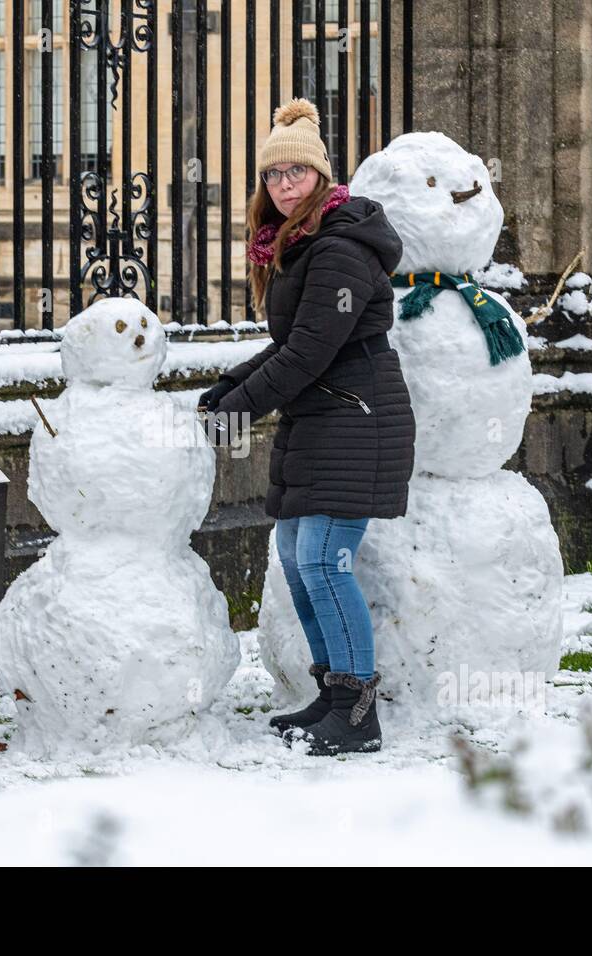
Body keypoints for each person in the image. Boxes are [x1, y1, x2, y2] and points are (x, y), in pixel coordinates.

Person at [198, 98, 415, 756]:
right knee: (298, 558)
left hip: (357, 418)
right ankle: (332, 692)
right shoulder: (301, 243)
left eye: (296, 173)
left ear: (321, 177)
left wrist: (242, 407)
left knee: (324, 559)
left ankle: (357, 712)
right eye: (273, 176)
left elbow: (309, 353)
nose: (284, 184)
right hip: (324, 417)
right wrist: (231, 386)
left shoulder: (340, 247)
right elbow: (296, 343)